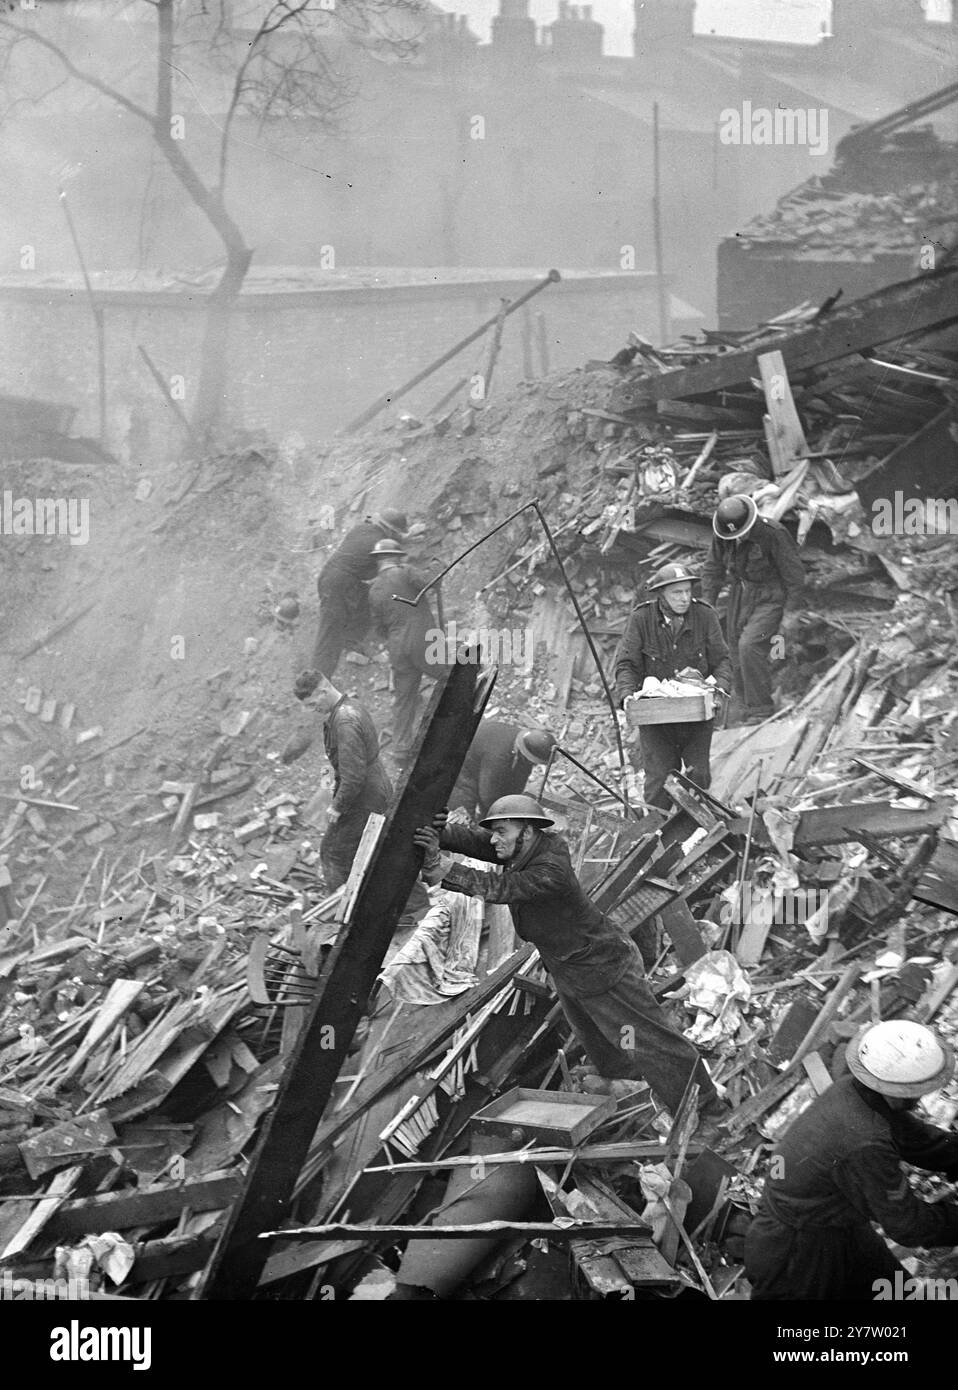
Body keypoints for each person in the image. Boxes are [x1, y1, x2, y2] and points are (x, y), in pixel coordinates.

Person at [413, 795, 725, 1124]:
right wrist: (444, 834)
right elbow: (485, 844)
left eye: (501, 831)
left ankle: (706, 1106)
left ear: (528, 831)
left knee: (649, 1040)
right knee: (596, 1038)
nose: (494, 839)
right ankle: (631, 1080)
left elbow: (502, 887)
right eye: (494, 832)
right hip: (570, 968)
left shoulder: (550, 868)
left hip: (602, 967)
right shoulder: (523, 845)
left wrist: (444, 867)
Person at [745, 1020, 958, 1301]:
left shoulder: (861, 1092)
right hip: (797, 1252)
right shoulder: (864, 1142)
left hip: (837, 1226)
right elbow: (907, 1224)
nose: (919, 1098)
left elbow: (917, 1140)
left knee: (897, 1293)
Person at [613, 563, 731, 811]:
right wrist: (626, 696)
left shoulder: (705, 616)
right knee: (657, 783)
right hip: (657, 719)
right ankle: (660, 839)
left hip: (696, 716)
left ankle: (697, 837)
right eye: (677, 593)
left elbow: (722, 661)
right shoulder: (642, 619)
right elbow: (626, 664)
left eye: (687, 591)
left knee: (697, 779)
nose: (685, 598)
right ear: (661, 595)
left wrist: (718, 690)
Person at [701, 495, 804, 725]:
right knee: (732, 648)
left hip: (771, 595)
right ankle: (743, 704)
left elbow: (794, 576)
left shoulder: (773, 534)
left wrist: (791, 614)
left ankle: (761, 709)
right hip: (741, 594)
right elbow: (712, 569)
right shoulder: (723, 535)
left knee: (749, 646)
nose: (738, 539)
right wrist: (708, 606)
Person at [293, 668, 393, 889]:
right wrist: (329, 782)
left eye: (312, 704)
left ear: (323, 691)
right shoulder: (349, 708)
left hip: (365, 797)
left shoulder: (344, 722)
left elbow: (354, 775)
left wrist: (336, 807)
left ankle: (343, 911)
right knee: (368, 848)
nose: (313, 710)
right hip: (372, 788)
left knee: (333, 853)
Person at [368, 538, 442, 765]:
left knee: (404, 698)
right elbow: (433, 582)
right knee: (451, 676)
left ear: (378, 561)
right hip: (421, 638)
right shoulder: (406, 572)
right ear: (397, 557)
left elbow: (379, 627)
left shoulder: (374, 589)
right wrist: (438, 565)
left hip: (397, 646)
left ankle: (401, 750)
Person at [310, 509, 408, 678]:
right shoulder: (377, 542)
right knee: (330, 633)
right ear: (391, 531)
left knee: (367, 603)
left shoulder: (362, 528)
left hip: (338, 579)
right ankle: (316, 683)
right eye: (396, 533)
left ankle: (351, 642)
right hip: (337, 584)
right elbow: (388, 568)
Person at [449, 720, 556, 822]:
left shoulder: (523, 744)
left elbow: (520, 778)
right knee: (462, 815)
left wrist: (510, 803)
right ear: (524, 753)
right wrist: (497, 816)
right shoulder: (498, 757)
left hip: (485, 758)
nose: (534, 764)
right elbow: (487, 795)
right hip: (463, 768)